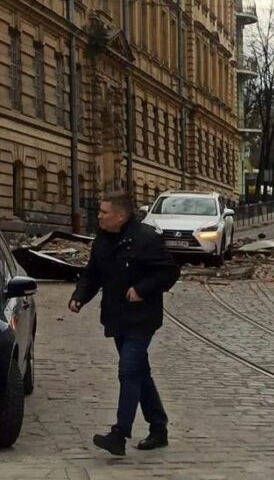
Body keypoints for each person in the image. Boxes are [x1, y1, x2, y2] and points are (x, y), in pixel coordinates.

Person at [69, 191, 180, 456]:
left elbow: (169, 271)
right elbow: (92, 274)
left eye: (104, 212)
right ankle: (159, 428)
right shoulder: (103, 241)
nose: (99, 216)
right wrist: (79, 297)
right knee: (139, 372)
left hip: (143, 316)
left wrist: (142, 289)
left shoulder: (146, 238)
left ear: (121, 215)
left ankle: (120, 433)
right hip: (117, 316)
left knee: (128, 369)